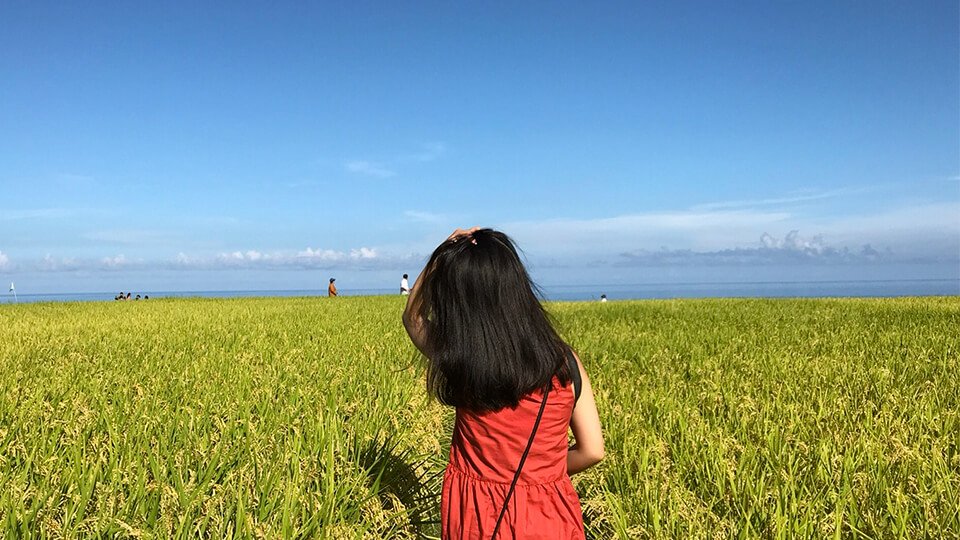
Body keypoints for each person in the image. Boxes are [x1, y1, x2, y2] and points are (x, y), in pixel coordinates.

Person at [402, 227, 603, 539]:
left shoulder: (461, 360)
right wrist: (541, 474)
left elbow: (413, 318)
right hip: (551, 517)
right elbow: (593, 451)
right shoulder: (566, 363)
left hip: (476, 517)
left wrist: (440, 256)